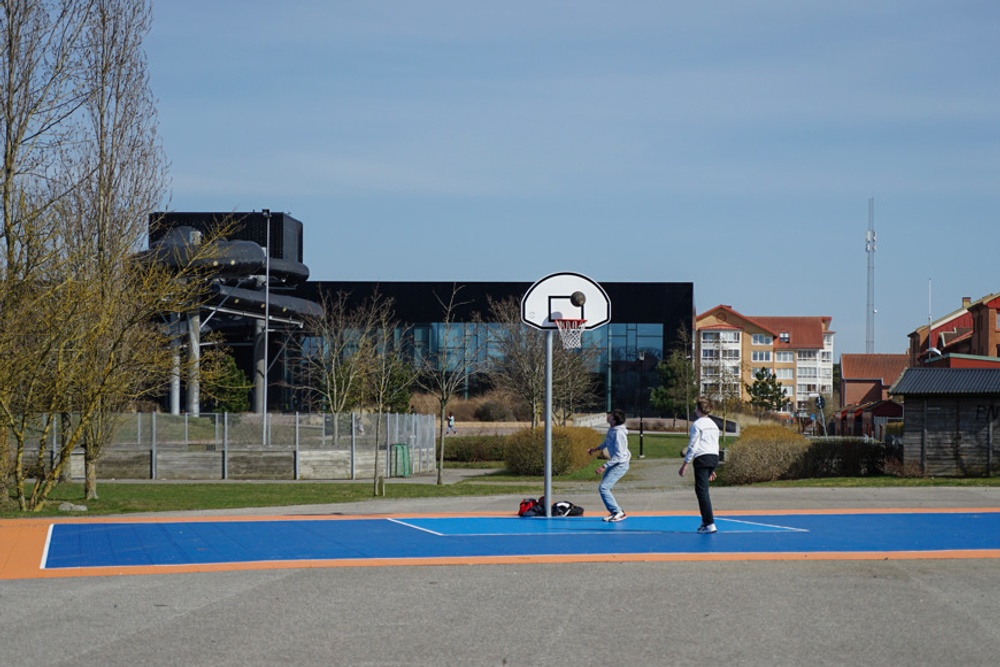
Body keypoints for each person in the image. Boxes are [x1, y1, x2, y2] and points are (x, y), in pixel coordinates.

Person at [679, 396, 721, 533]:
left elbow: (693, 446)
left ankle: (709, 523)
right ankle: (705, 522)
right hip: (713, 457)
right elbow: (714, 444)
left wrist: (685, 464)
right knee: (703, 490)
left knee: (702, 491)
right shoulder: (714, 424)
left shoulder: (697, 425)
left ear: (697, 409)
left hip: (702, 458)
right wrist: (712, 467)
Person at [588, 408, 631, 522]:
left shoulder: (619, 433)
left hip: (620, 464)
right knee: (605, 487)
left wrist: (603, 466)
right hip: (616, 463)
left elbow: (619, 455)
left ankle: (618, 512)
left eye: (611, 416)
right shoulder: (612, 430)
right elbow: (607, 442)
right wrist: (596, 449)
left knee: (604, 488)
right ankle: (614, 512)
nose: (608, 416)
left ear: (614, 420)